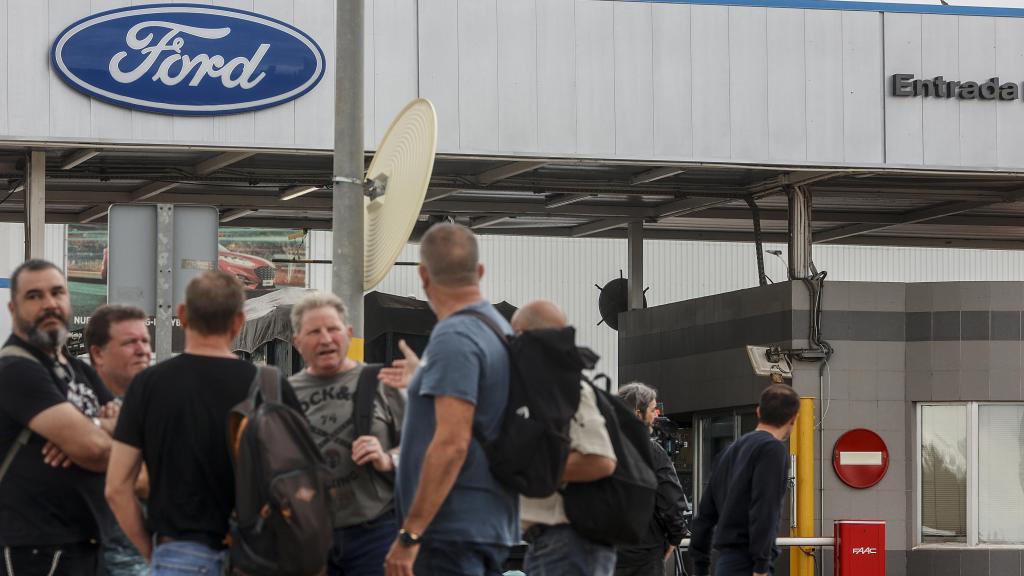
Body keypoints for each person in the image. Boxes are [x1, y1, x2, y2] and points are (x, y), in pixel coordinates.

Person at [105, 270, 305, 575]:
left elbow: (117, 488)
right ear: (239, 322)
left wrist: (152, 551)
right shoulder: (271, 386)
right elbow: (299, 480)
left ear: (183, 315)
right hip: (258, 554)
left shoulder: (148, 385)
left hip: (178, 553)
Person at [384, 223, 518, 576]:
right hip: (486, 520)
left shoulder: (454, 336)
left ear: (423, 275)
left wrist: (410, 534)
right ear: (480, 271)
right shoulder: (498, 329)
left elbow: (451, 443)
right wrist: (423, 376)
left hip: (451, 529)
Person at [0, 259, 118, 576]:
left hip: (87, 544)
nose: (49, 304)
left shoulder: (77, 369)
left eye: (57, 293)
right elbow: (96, 450)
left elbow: (135, 432)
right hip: (37, 551)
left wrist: (89, 427)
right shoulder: (16, 370)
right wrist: (98, 431)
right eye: (34, 296)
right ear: (13, 309)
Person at [289, 292, 405, 576]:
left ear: (349, 334)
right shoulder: (283, 395)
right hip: (309, 537)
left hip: (376, 533)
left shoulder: (382, 383)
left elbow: (421, 450)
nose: (326, 339)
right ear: (297, 342)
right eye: (314, 331)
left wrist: (387, 458)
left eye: (333, 329)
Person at [513, 300, 618, 576]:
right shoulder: (544, 389)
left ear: (525, 334)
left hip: (569, 543)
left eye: (514, 335)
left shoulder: (567, 388)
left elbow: (601, 461)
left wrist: (525, 468)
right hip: (555, 543)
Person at [690, 384, 801, 576]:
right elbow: (765, 507)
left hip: (724, 562)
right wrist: (761, 565)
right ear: (794, 417)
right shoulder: (772, 450)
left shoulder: (729, 451)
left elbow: (705, 514)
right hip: (748, 563)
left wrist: (700, 566)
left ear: (758, 411)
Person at [85, 305, 152, 576]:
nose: (142, 350)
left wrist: (101, 438)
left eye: (145, 340)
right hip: (83, 559)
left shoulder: (161, 406)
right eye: (129, 342)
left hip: (143, 561)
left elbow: (147, 482)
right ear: (98, 354)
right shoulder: (77, 403)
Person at [615, 382, 689, 576]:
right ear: (638, 414)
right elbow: (670, 500)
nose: (656, 415)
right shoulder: (652, 452)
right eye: (652, 409)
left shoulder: (599, 448)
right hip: (644, 553)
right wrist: (675, 537)